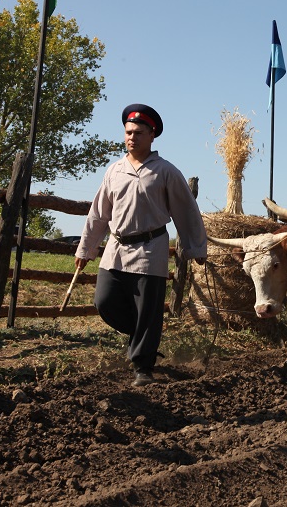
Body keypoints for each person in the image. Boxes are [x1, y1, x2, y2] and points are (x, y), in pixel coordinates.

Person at [75, 104, 207, 387]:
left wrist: (197, 249)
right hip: (116, 250)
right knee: (105, 302)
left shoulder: (166, 172)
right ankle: (145, 338)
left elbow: (187, 212)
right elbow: (99, 213)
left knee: (148, 309)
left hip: (150, 250)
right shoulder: (114, 171)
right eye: (128, 132)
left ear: (152, 135)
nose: (131, 137)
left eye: (138, 132)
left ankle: (143, 369)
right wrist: (85, 249)